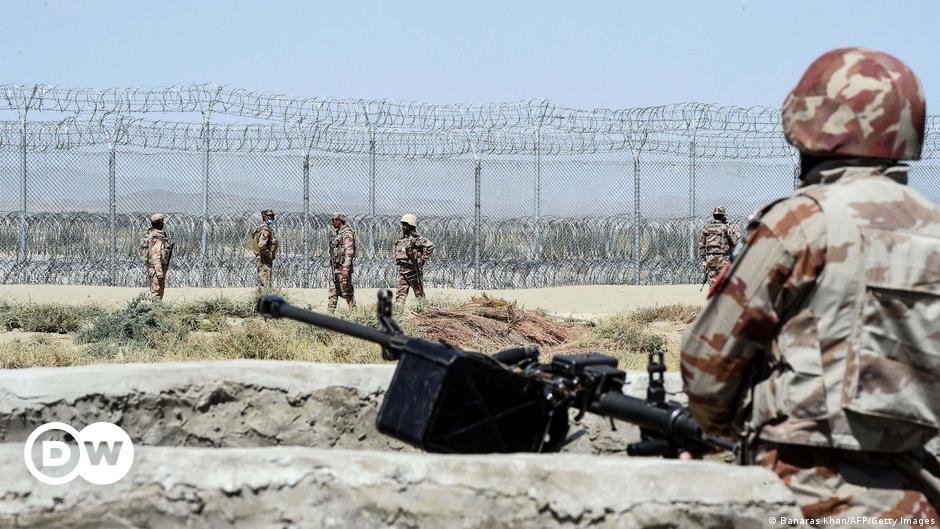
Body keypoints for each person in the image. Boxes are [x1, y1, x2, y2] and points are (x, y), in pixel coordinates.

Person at [680, 48, 940, 520]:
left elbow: (706, 369)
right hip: (916, 503)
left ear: (811, 125)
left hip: (802, 497)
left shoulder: (806, 222)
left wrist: (725, 429)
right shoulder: (934, 230)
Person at [393, 213, 435, 305]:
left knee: (419, 296)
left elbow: (430, 246)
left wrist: (422, 260)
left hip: (413, 271)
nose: (403, 227)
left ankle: (426, 314)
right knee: (400, 296)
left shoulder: (417, 239)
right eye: (402, 224)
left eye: (405, 225)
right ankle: (398, 315)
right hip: (402, 271)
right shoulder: (402, 240)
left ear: (411, 226)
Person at [698, 206, 740, 286]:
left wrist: (704, 260)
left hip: (710, 259)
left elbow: (701, 245)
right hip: (724, 259)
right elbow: (736, 241)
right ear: (723, 216)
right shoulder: (726, 227)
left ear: (714, 215)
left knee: (713, 285)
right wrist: (729, 225)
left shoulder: (707, 228)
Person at [140, 213, 173, 301]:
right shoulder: (157, 237)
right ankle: (155, 312)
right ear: (159, 224)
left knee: (155, 291)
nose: (163, 225)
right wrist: (159, 273)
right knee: (157, 294)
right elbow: (156, 255)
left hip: (152, 267)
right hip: (156, 268)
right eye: (162, 223)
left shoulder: (150, 234)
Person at [328, 213, 357, 312]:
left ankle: (354, 313)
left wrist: (346, 268)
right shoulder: (337, 233)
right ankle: (329, 315)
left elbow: (349, 252)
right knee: (333, 292)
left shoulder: (347, 233)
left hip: (343, 268)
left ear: (338, 220)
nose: (332, 223)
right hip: (336, 268)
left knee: (347, 293)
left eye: (333, 220)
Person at [251, 209, 279, 288]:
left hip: (261, 259)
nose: (272, 219)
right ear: (265, 217)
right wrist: (269, 254)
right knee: (265, 283)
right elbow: (261, 245)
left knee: (262, 282)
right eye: (270, 217)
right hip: (264, 260)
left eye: (273, 216)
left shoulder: (260, 228)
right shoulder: (265, 230)